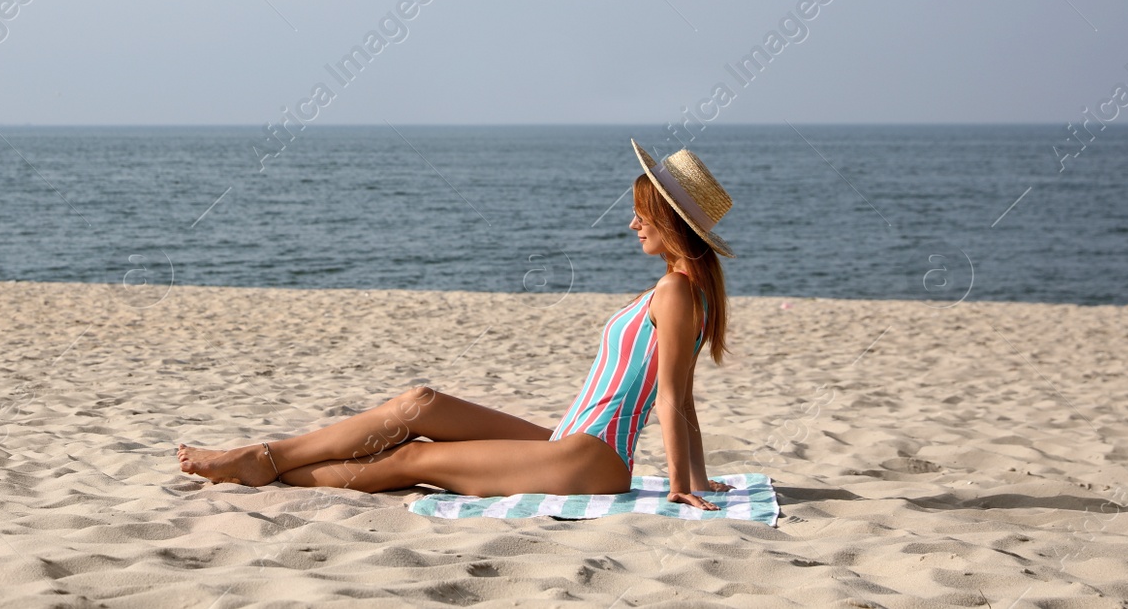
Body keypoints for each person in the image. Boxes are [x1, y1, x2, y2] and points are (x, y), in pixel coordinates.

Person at [177, 139, 736, 509]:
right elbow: (683, 402)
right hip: (573, 439)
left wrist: (683, 487)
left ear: (672, 221)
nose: (633, 221)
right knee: (420, 403)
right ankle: (269, 455)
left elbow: (671, 400)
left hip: (593, 456)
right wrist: (702, 478)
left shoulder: (676, 290)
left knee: (412, 459)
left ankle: (265, 469)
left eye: (644, 212)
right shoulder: (683, 291)